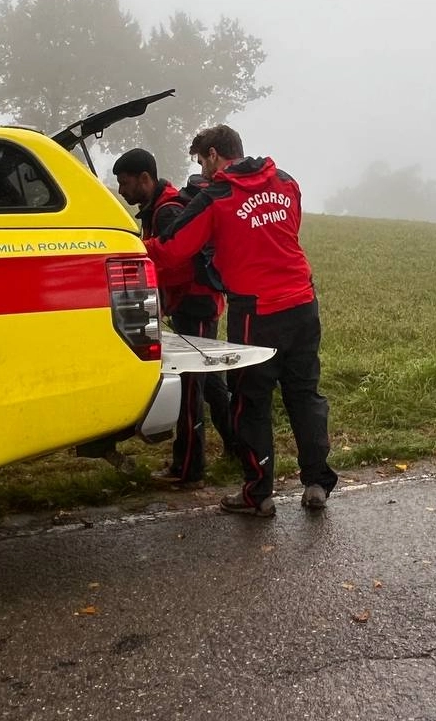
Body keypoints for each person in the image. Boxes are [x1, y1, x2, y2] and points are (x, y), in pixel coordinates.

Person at [145, 125, 339, 518]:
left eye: (202, 161)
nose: (204, 171)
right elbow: (288, 230)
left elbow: (173, 249)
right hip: (303, 301)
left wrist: (132, 248)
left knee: (251, 401)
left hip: (256, 311)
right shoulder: (286, 182)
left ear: (214, 154)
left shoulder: (216, 197)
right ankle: (317, 482)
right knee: (305, 394)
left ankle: (257, 493)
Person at [112, 148, 235, 489]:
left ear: (145, 179)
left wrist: (163, 302)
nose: (121, 190)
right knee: (211, 384)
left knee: (190, 388)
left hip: (193, 306)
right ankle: (238, 448)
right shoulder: (160, 206)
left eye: (125, 183)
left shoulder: (167, 211)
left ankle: (188, 468)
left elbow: (177, 267)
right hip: (200, 304)